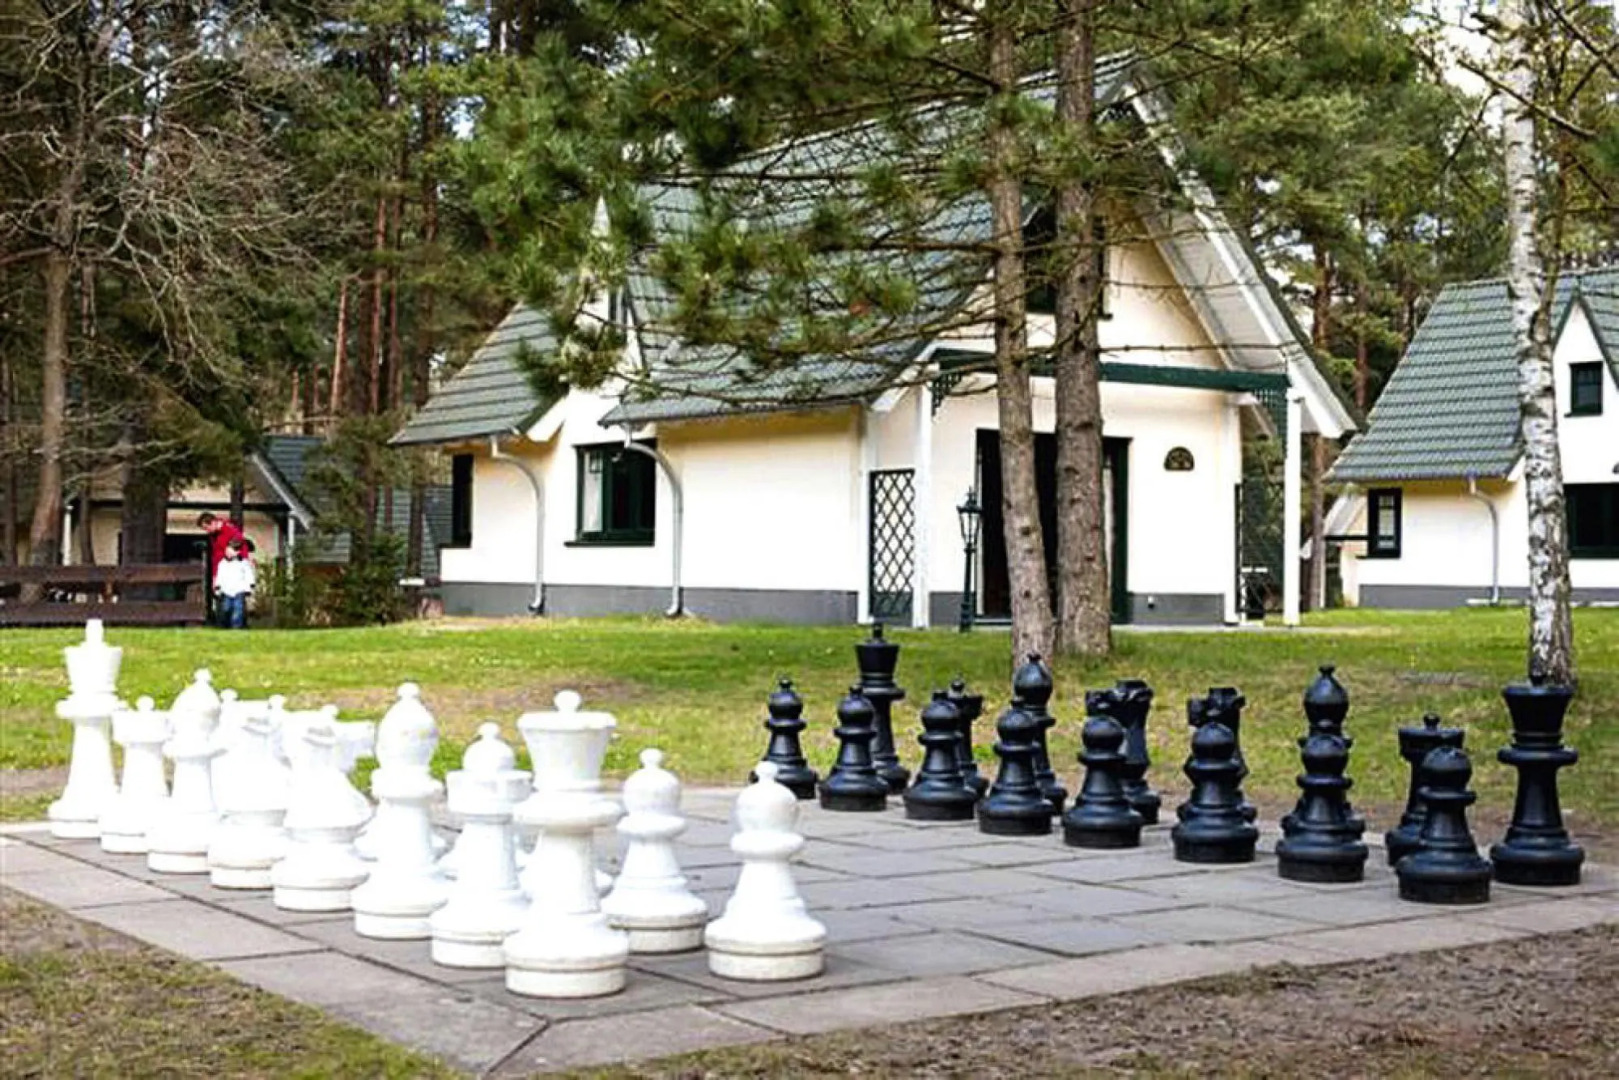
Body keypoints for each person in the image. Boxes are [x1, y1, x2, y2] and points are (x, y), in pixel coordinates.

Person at [197, 513, 245, 625]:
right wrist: (215, 577)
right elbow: (216, 557)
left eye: (206, 528)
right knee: (224, 605)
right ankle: (224, 624)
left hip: (234, 574)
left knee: (236, 604)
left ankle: (235, 626)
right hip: (221, 573)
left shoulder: (231, 532)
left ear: (213, 523)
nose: (207, 531)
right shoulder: (215, 536)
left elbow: (242, 551)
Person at [213, 538, 255, 630]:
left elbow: (248, 575)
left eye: (231, 551)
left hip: (239, 590)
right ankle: (225, 625)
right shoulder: (222, 564)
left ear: (237, 552)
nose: (228, 552)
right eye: (227, 550)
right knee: (226, 609)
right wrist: (217, 587)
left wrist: (250, 586)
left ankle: (236, 627)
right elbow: (220, 575)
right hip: (226, 590)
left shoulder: (243, 563)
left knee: (238, 610)